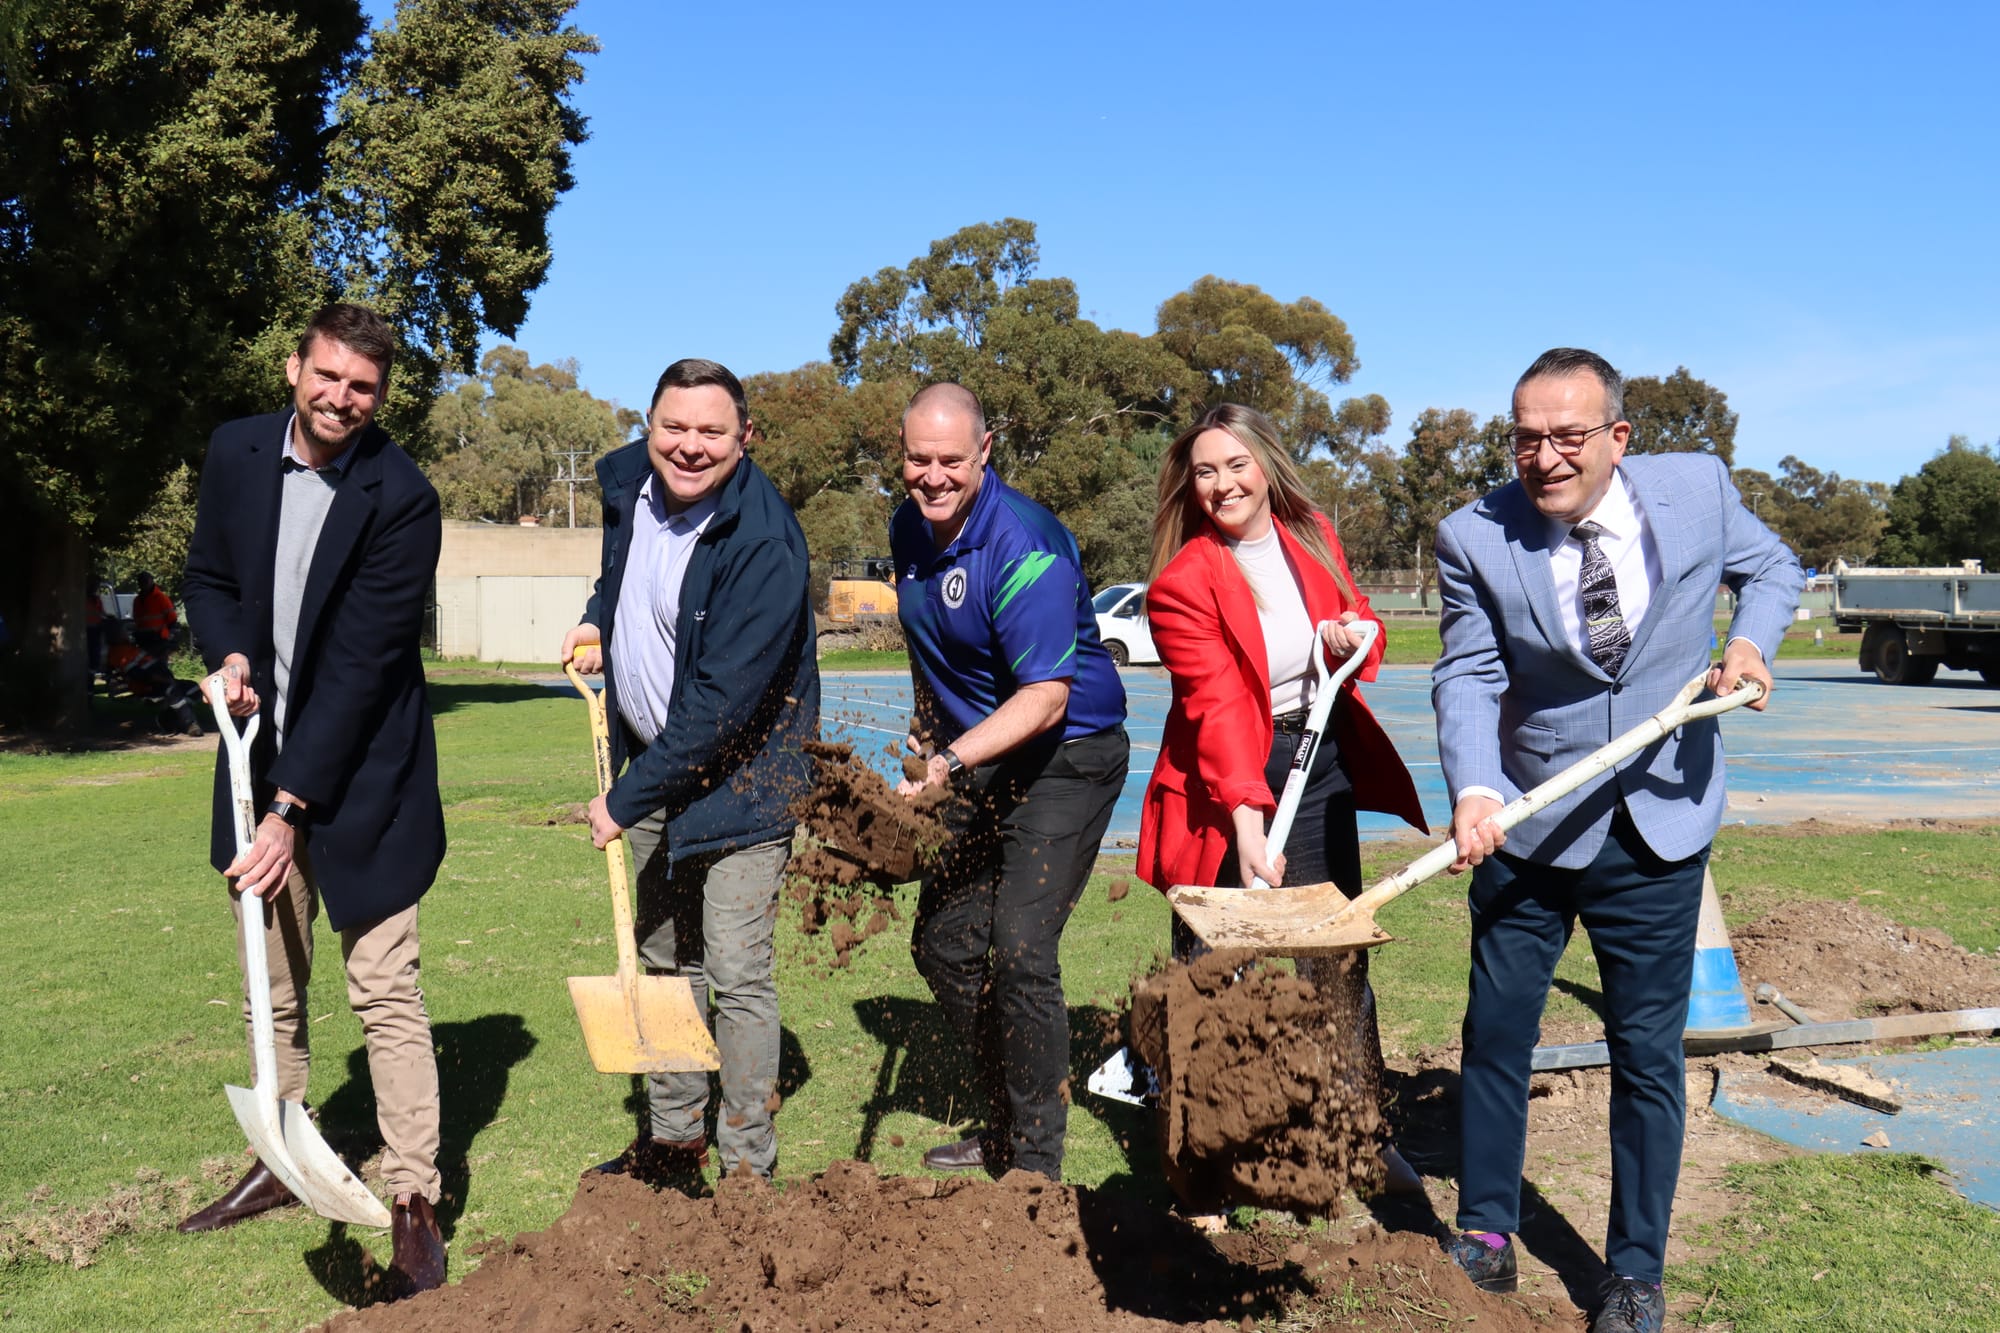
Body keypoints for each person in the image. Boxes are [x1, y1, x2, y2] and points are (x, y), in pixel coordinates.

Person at [1432, 348, 1801, 1333]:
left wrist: (1748, 641)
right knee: (1495, 1035)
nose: (1545, 458)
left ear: (1617, 437)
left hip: (1659, 825)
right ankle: (1487, 1231)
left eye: (1567, 436)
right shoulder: (1473, 535)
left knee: (1645, 1053)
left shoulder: (1697, 491)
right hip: (1526, 825)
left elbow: (1772, 568)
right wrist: (1476, 788)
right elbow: (1467, 673)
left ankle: (1634, 1270)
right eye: (1525, 439)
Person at [179, 303, 448, 1296]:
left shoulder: (401, 497)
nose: (341, 398)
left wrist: (290, 812)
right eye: (327, 375)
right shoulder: (237, 451)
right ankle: (282, 1154)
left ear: (381, 396)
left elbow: (362, 669)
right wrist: (229, 654)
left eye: (362, 386)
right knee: (273, 974)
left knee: (383, 984)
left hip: (367, 774)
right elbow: (209, 577)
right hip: (256, 759)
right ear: (294, 367)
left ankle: (414, 1198)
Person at [1136, 403, 1432, 1198]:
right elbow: (1218, 705)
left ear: (1266, 465)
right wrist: (1246, 816)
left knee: (1336, 958)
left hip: (1317, 756)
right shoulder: (1182, 582)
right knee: (1210, 969)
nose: (1223, 484)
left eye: (1237, 465)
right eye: (1206, 471)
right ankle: (1200, 1165)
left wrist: (1351, 635)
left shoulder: (1313, 535)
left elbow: (1362, 621)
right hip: (1221, 777)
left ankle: (1359, 1137)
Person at [560, 358, 817, 1188]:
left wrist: (622, 800)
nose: (690, 446)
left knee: (735, 971)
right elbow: (625, 576)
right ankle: (675, 1143)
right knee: (667, 958)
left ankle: (745, 1169)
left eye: (712, 431)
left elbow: (719, 710)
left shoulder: (764, 544)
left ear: (746, 437)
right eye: (674, 427)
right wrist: (597, 619)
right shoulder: (630, 488)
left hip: (746, 780)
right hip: (655, 762)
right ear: (649, 425)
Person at [891, 383, 1130, 1181]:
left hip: (1068, 753)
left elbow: (1046, 697)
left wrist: (950, 761)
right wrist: (928, 719)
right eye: (917, 459)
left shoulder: (1025, 543)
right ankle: (1006, 1116)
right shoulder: (908, 527)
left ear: (985, 451)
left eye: (950, 460)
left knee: (1022, 946)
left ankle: (1034, 1163)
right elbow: (929, 639)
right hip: (982, 752)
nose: (932, 476)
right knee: (944, 942)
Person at [130, 570, 179, 657]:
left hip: (159, 641)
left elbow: (172, 620)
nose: (143, 584)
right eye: (141, 581)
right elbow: (137, 621)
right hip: (143, 641)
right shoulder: (137, 601)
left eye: (145, 581)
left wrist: (169, 639)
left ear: (151, 581)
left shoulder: (161, 598)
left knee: (159, 664)